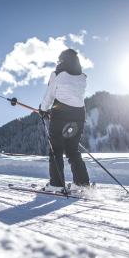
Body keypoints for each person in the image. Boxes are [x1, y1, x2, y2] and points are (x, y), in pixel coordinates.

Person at [39, 48, 90, 191]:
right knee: (72, 150)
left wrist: (43, 110)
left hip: (61, 115)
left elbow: (49, 95)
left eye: (59, 60)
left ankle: (56, 184)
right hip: (79, 116)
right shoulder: (82, 77)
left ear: (62, 60)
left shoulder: (57, 75)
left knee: (56, 150)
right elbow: (72, 96)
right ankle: (82, 183)